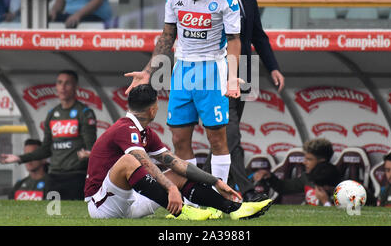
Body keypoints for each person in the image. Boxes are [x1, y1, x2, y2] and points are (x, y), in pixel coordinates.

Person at [125, 0, 241, 193]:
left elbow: (234, 40)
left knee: (217, 139)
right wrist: (148, 71)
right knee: (179, 139)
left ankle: (221, 198)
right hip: (182, 70)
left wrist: (232, 77)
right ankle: (191, 198)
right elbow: (167, 37)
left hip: (212, 69)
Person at [85, 84, 273, 220]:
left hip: (131, 201)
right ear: (152, 109)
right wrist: (171, 188)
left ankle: (234, 208)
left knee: (178, 172)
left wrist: (215, 181)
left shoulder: (146, 132)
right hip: (102, 205)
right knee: (130, 160)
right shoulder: (124, 129)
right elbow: (142, 162)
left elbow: (178, 163)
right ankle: (182, 211)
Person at [207, 0, 285, 202]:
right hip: (219, 72)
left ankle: (205, 184)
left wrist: (273, 66)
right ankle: (248, 190)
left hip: (246, 68)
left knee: (225, 135)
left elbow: (259, 36)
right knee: (231, 133)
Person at [0, 70, 97, 200]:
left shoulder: (84, 112)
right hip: (54, 176)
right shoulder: (52, 114)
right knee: (52, 215)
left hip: (77, 176)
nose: (62, 87)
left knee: (75, 218)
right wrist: (19, 158)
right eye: (59, 83)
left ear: (75, 87)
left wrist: (88, 154)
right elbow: (45, 149)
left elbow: (92, 148)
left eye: (67, 83)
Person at [253, 138, 339, 206]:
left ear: (322, 160)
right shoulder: (306, 177)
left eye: (309, 159)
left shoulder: (335, 179)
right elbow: (283, 187)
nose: (304, 162)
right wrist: (269, 177)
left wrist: (325, 202)